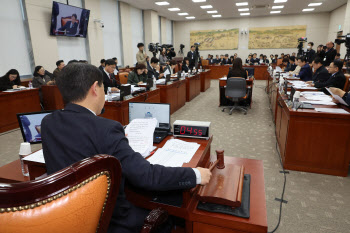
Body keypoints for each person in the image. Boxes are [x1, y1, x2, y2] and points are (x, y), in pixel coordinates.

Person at [41, 63, 212, 233]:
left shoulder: (48, 122)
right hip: (111, 222)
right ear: (95, 88)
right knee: (168, 218)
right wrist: (195, 174)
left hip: (66, 216)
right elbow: (147, 176)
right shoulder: (106, 129)